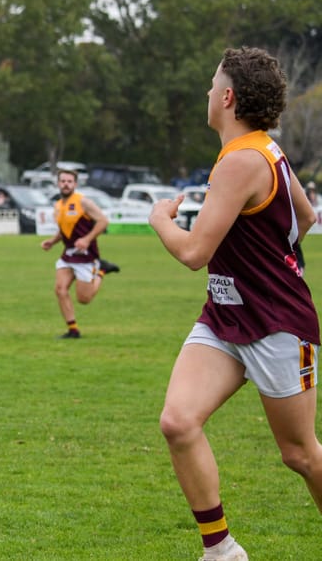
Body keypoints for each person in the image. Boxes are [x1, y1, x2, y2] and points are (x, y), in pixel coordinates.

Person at [149, 47, 322, 560]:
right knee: (178, 422)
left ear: (227, 97)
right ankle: (221, 550)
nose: (207, 92)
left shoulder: (242, 161)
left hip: (276, 323)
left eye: (212, 84)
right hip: (225, 316)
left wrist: (160, 220)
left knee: (300, 454)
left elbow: (193, 253)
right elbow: (306, 218)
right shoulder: (263, 149)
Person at [40, 169, 119, 339]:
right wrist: (52, 241)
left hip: (86, 256)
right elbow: (64, 230)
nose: (66, 184)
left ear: (75, 184)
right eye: (63, 181)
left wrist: (87, 239)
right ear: (58, 183)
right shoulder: (58, 206)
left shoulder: (83, 202)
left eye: (69, 181)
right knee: (60, 290)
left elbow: (103, 221)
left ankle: (101, 271)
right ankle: (73, 330)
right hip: (68, 255)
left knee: (84, 299)